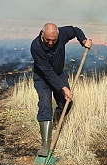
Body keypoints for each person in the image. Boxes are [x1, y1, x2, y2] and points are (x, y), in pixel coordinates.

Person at [30, 23, 92, 157]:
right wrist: (63, 88)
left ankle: (56, 121)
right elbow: (47, 72)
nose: (51, 43)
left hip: (59, 74)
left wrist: (83, 40)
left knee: (67, 103)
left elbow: (75, 30)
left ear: (58, 35)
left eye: (54, 40)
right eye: (48, 40)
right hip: (43, 78)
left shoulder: (62, 33)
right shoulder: (35, 46)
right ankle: (45, 146)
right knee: (45, 106)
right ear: (42, 34)